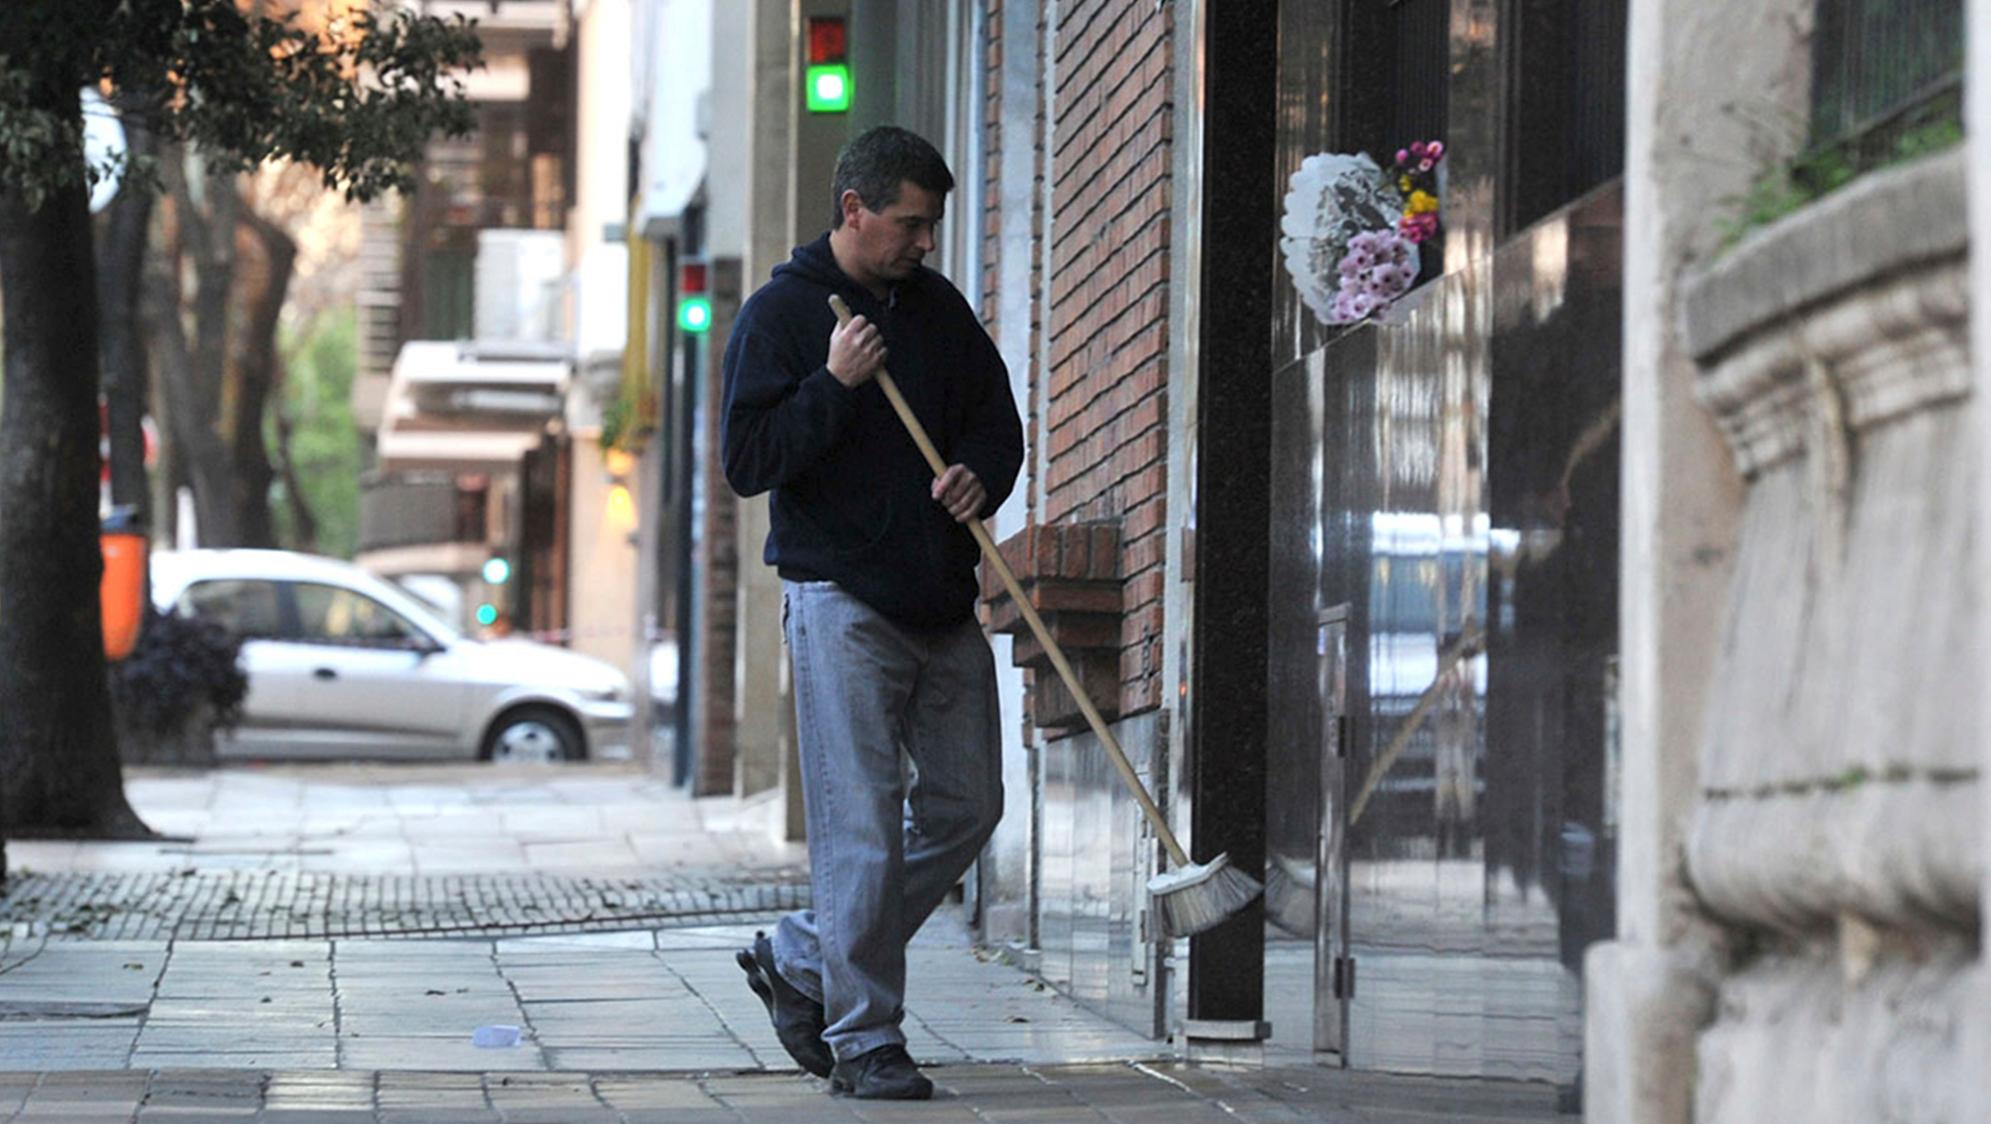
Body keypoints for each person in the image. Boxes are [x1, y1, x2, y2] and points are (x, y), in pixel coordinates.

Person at [719, 125, 1023, 1101]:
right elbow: (750, 460)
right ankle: (864, 1039)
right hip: (838, 596)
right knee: (860, 828)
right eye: (909, 223)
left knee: (968, 804)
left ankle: (803, 953)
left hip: (939, 595)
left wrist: (984, 476)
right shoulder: (779, 314)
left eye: (929, 224)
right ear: (853, 210)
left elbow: (994, 418)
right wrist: (834, 384)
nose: (922, 241)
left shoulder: (936, 311)